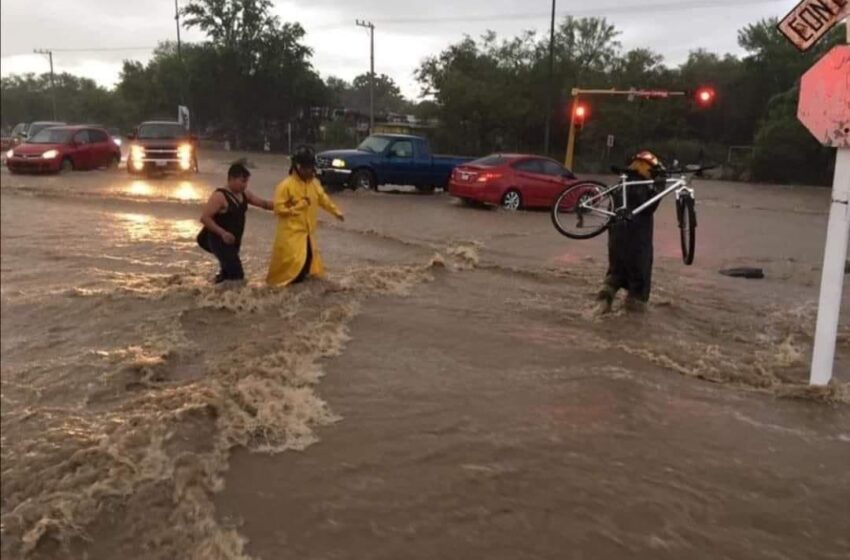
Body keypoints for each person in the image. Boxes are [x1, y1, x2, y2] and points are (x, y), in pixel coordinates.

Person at [597, 151, 666, 313]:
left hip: (616, 242)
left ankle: (600, 308)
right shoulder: (640, 185)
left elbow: (610, 214)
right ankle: (632, 325)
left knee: (614, 277)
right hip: (637, 244)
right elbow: (649, 207)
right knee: (638, 288)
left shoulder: (621, 185)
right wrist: (660, 184)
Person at [266, 146, 345, 286]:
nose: (310, 170)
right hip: (290, 238)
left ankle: (302, 299)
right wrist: (298, 207)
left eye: (311, 167)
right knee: (292, 272)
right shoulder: (285, 186)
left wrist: (335, 211)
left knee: (308, 268)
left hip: (308, 236)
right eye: (307, 167)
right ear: (298, 167)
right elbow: (278, 209)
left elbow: (322, 199)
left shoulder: (314, 184)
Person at [198, 162, 272, 283]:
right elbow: (205, 218)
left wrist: (286, 205)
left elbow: (264, 204)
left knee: (227, 275)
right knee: (237, 275)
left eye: (247, 182)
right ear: (231, 178)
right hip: (218, 240)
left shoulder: (244, 194)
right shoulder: (219, 196)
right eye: (242, 181)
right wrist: (223, 233)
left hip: (233, 242)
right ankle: (232, 300)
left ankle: (214, 297)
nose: (245, 185)